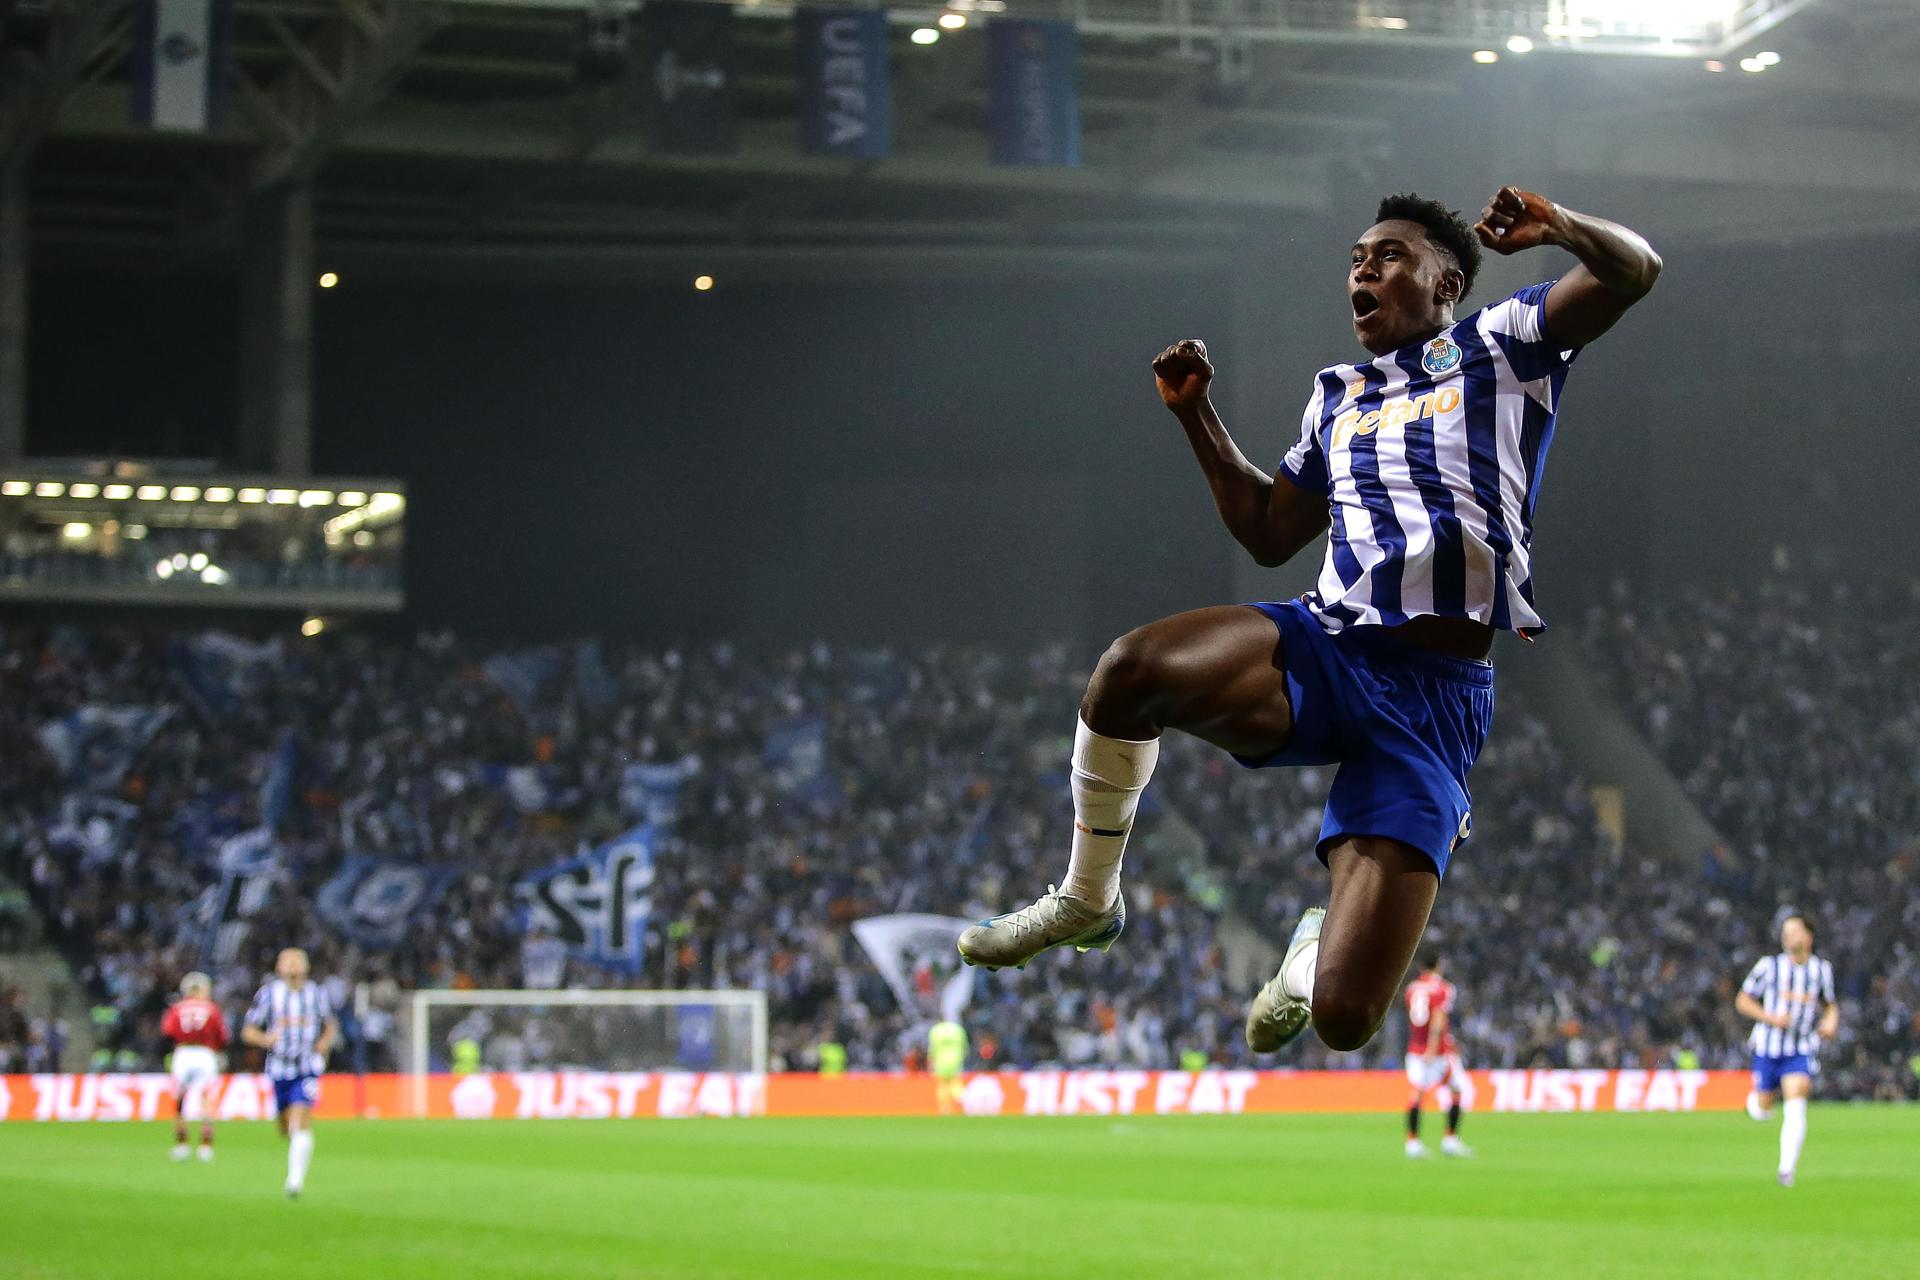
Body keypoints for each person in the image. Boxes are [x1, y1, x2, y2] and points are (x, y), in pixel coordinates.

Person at [959, 186, 1660, 1064]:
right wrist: (1197, 417)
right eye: (1356, 260)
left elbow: (1636, 271)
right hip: (1329, 643)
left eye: (1389, 256)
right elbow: (1268, 532)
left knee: (1342, 1018)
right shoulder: (1338, 396)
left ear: (1447, 282)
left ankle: (1303, 963)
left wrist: (1558, 227)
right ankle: (1087, 898)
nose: (1363, 269)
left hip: (1431, 703)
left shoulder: (1503, 342)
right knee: (1128, 672)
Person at [1735, 915, 1838, 1187]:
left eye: (1794, 931)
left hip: (1800, 1047)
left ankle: (1786, 1170)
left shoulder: (1821, 970)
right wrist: (1770, 1018)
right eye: (1785, 932)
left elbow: (1830, 1005)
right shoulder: (1769, 967)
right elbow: (1742, 1000)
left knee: (1796, 1102)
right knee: (1762, 1108)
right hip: (1768, 1047)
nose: (1788, 937)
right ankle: (1755, 1103)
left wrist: (1830, 1023)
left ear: (1809, 936)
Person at [241, 948, 338, 1199]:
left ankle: (294, 1181)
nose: (294, 966)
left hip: (307, 1067)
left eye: (298, 961)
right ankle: (293, 1148)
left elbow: (330, 1025)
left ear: (306, 967)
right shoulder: (269, 995)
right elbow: (248, 1030)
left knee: (302, 1119)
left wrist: (325, 1041)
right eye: (289, 961)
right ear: (279, 968)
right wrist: (266, 1039)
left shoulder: (317, 994)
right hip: (278, 1067)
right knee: (285, 1127)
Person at [1402, 954, 1472, 1158]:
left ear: (1421, 967)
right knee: (1453, 1091)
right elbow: (1438, 1020)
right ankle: (1448, 1140)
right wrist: (1432, 1049)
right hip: (1434, 1053)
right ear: (1438, 966)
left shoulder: (1411, 988)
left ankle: (1414, 1142)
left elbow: (1416, 1020)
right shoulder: (1444, 988)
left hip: (1415, 1048)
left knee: (1421, 1093)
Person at [161, 971, 229, 1163]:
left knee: (180, 1099)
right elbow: (222, 1034)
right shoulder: (211, 1008)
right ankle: (205, 1146)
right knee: (206, 1097)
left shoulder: (176, 1008)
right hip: (205, 1054)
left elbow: (168, 1031)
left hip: (183, 1053)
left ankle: (181, 1145)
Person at [928, 1018, 968, 1114]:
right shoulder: (958, 1029)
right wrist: (964, 1057)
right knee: (956, 1083)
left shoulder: (936, 1030)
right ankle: (962, 1102)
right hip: (956, 1060)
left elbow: (932, 1047)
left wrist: (930, 1060)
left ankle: (945, 1107)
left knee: (942, 1085)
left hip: (940, 1061)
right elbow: (965, 1046)